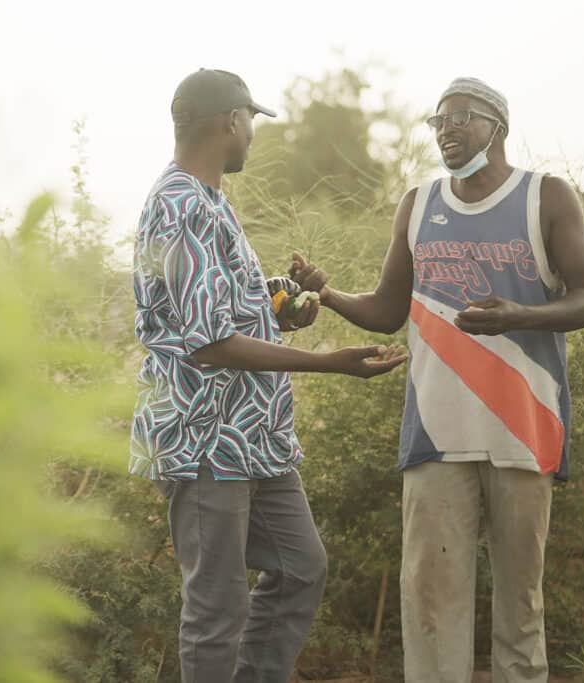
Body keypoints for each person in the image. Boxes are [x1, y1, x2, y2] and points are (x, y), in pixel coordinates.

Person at [290, 77, 584, 682]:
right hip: (435, 434)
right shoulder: (418, 202)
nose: (447, 131)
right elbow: (388, 310)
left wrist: (520, 316)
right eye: (438, 122)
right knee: (431, 605)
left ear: (499, 127)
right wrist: (325, 293)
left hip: (524, 429)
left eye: (462, 118)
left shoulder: (546, 197)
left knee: (521, 605)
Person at [129, 68, 408, 683]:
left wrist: (282, 305)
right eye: (251, 121)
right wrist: (330, 364)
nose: (253, 135)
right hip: (206, 439)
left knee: (301, 567)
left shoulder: (210, 202)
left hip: (253, 441)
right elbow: (207, 343)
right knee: (215, 606)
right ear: (231, 121)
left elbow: (222, 311)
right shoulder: (180, 206)